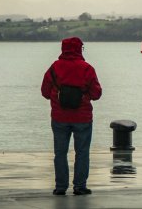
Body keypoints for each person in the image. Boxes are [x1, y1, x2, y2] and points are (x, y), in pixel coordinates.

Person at [41, 37, 102, 196]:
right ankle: (80, 186)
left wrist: (57, 95)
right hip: (82, 118)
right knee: (82, 152)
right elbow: (96, 94)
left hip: (59, 117)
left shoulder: (54, 68)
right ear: (79, 49)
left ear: (63, 49)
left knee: (60, 153)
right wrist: (84, 94)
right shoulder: (87, 68)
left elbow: (45, 92)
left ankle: (61, 187)